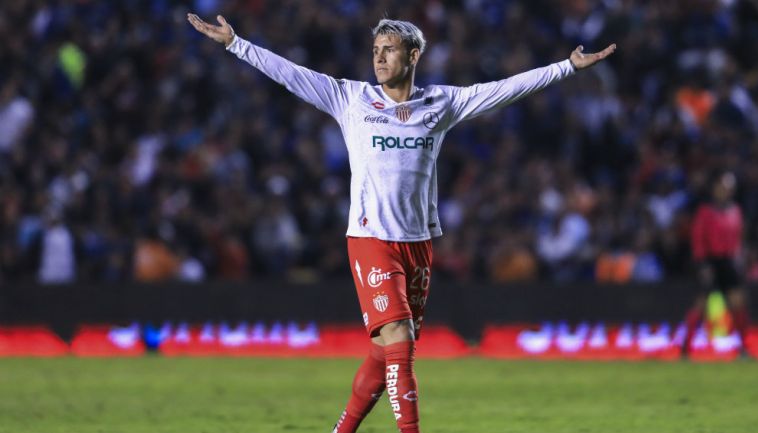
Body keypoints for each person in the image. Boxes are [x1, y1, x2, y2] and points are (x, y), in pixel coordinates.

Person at [188, 13, 616, 433]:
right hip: (371, 239)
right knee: (400, 338)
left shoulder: (441, 103)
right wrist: (235, 43)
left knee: (383, 355)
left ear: (413, 56)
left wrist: (566, 67)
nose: (378, 58)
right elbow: (289, 73)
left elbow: (502, 90)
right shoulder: (351, 99)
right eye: (375, 50)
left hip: (418, 243)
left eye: (389, 50)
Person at [681, 171, 749, 358]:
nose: (724, 191)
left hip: (728, 262)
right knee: (700, 305)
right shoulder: (705, 211)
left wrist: (738, 257)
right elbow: (698, 239)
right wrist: (702, 265)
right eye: (722, 187)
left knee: (738, 303)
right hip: (710, 262)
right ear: (715, 188)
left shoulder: (735, 211)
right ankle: (685, 347)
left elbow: (738, 239)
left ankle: (742, 348)